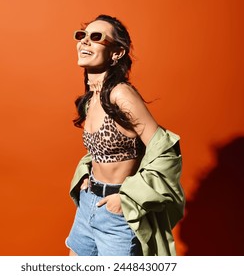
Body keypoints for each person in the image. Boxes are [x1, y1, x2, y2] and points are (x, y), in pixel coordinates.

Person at [66, 14, 185, 256]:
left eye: (96, 37)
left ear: (117, 53)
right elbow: (102, 150)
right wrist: (86, 178)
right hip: (88, 204)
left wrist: (125, 199)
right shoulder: (91, 99)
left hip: (115, 216)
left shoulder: (121, 95)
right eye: (82, 36)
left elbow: (166, 151)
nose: (85, 42)